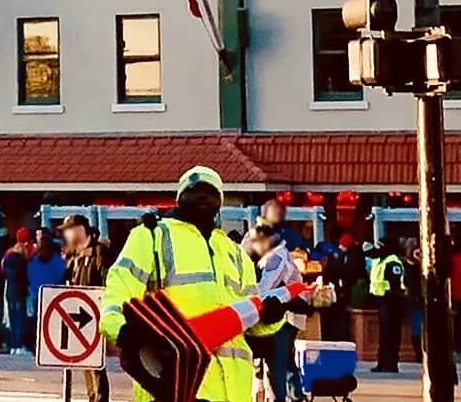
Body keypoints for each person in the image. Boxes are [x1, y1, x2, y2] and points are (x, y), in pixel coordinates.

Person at [101, 166, 264, 402]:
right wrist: (122, 330)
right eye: (194, 191)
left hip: (233, 392)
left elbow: (254, 319)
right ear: (179, 198)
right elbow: (119, 291)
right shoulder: (152, 236)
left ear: (220, 201)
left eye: (209, 192)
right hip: (174, 386)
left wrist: (273, 316)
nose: (202, 197)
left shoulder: (236, 255)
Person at [249, 223, 307, 402]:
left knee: (277, 363)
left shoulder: (277, 256)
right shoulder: (272, 255)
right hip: (284, 315)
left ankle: (280, 398)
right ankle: (296, 395)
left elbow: (265, 287)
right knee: (285, 361)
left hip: (285, 317)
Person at [61, 215, 110, 402]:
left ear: (81, 229)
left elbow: (106, 280)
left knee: (95, 361)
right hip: (77, 313)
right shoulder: (75, 254)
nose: (66, 234)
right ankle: (92, 396)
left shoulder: (99, 251)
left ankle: (99, 398)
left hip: (93, 311)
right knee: (85, 361)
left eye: (69, 229)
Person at [367, 241, 408, 373]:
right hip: (382, 301)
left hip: (392, 302)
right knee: (384, 334)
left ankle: (391, 363)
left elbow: (395, 285)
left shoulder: (393, 262)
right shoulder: (381, 260)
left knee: (392, 334)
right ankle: (382, 362)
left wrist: (391, 298)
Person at [1, 228, 33, 354]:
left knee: (13, 318)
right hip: (20, 290)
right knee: (20, 318)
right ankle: (20, 345)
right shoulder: (22, 260)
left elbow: (3, 271)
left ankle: (14, 345)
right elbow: (25, 277)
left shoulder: (8, 256)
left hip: (9, 289)